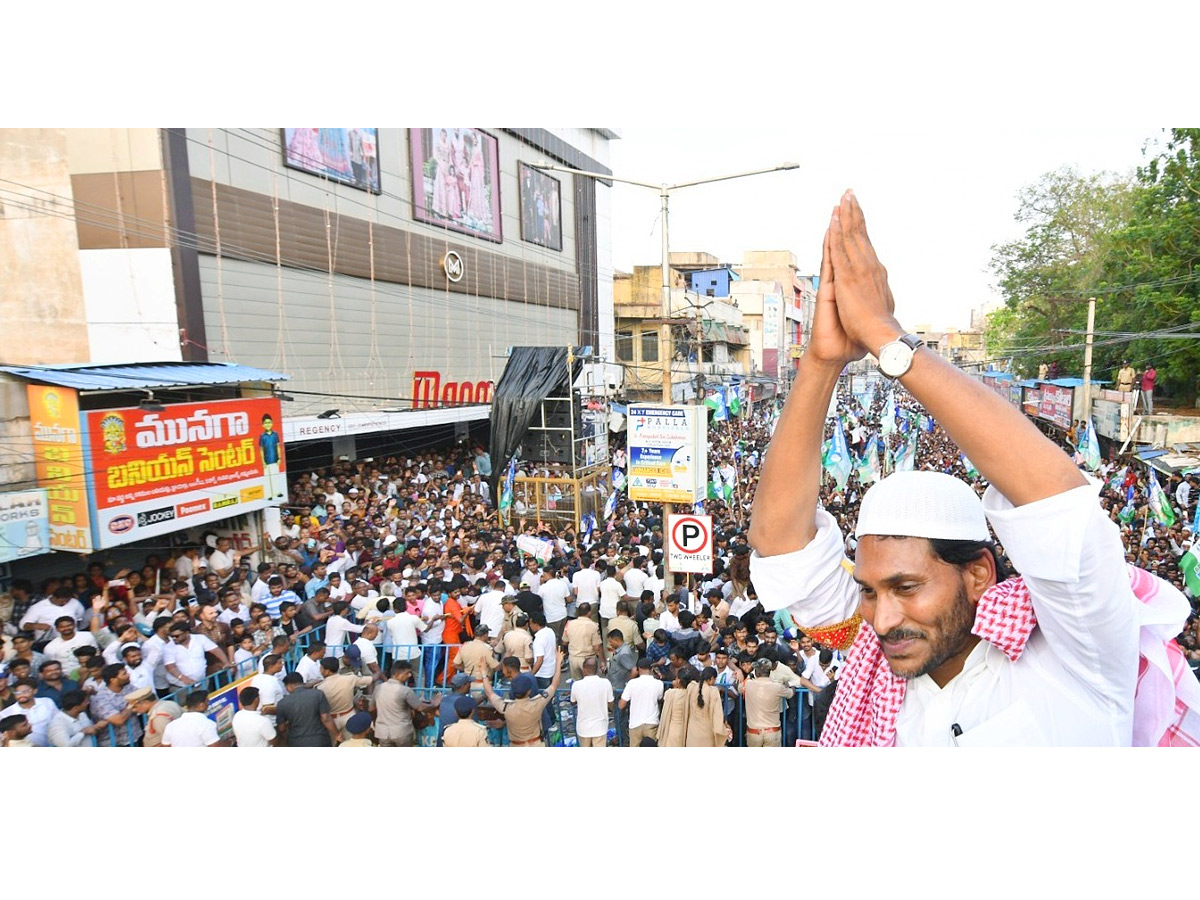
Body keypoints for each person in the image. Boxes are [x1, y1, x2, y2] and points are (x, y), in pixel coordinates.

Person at [749, 190, 1200, 747]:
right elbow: (779, 545)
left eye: (906, 586)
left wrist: (888, 338)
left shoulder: (1078, 656)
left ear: (980, 573)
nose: (883, 619)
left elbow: (1055, 505)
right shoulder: (881, 648)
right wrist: (820, 362)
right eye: (867, 591)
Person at [480, 648, 563, 746]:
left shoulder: (506, 707)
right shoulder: (537, 703)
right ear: (529, 691)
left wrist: (483, 673)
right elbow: (554, 684)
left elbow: (490, 693)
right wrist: (558, 663)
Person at [374, 660, 434, 747]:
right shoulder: (405, 690)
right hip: (401, 732)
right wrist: (434, 703)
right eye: (408, 673)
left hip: (382, 732)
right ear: (398, 674)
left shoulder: (378, 688)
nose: (410, 675)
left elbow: (371, 708)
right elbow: (420, 708)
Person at [276, 672, 340, 747]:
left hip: (296, 741)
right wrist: (337, 734)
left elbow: (282, 728)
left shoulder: (282, 703)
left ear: (290, 686)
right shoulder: (318, 694)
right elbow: (326, 718)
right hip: (320, 739)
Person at [742, 659, 794, 747]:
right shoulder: (777, 687)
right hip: (772, 732)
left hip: (754, 732)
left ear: (757, 673)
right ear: (769, 673)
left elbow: (739, 688)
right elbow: (790, 693)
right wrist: (791, 685)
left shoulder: (748, 684)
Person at [619, 658, 664, 747]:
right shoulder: (659, 684)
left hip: (635, 724)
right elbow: (660, 698)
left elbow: (621, 705)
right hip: (652, 723)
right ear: (652, 669)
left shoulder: (631, 683)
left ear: (638, 669)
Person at [569, 657, 613, 747]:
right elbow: (611, 702)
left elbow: (573, 702)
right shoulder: (606, 683)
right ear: (596, 669)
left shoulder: (576, 685)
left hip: (583, 728)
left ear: (584, 669)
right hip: (600, 727)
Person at [684, 666, 727, 747]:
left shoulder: (691, 687)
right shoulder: (713, 691)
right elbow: (717, 715)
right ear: (711, 678)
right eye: (714, 679)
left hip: (692, 731)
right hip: (707, 731)